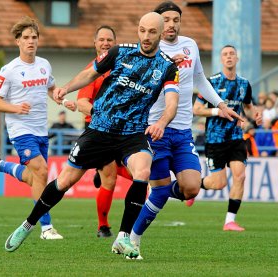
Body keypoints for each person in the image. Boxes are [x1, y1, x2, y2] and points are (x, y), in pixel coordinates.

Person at [4, 12, 180, 259]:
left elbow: (172, 101)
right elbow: (90, 74)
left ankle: (122, 238)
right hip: (99, 129)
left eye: (152, 32)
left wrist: (162, 121)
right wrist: (67, 87)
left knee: (142, 171)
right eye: (142, 30)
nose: (146, 36)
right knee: (64, 181)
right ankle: (29, 224)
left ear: (161, 34)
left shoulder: (168, 67)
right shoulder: (120, 52)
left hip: (132, 133)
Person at [128, 1, 243, 258]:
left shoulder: (190, 45)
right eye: (166, 20)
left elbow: (199, 79)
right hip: (154, 130)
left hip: (181, 131)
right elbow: (139, 83)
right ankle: (132, 239)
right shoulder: (146, 50)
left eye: (175, 20)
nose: (171, 24)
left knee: (191, 187)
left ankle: (158, 193)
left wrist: (220, 104)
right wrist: (166, 62)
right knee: (158, 192)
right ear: (156, 25)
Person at [0, 16, 76, 240]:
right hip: (20, 130)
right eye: (26, 38)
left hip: (41, 131)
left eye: (34, 37)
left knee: (35, 179)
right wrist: (15, 108)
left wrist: (63, 101)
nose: (31, 41)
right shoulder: (9, 69)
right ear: (18, 42)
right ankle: (45, 228)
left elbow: (52, 89)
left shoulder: (44, 65)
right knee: (42, 171)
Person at [193, 44, 262, 231]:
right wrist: (217, 111)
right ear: (221, 59)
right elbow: (196, 109)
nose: (229, 57)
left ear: (237, 59)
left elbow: (247, 105)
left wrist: (254, 114)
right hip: (215, 139)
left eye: (232, 54)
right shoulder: (212, 82)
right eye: (225, 54)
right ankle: (195, 188)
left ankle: (229, 221)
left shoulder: (244, 84)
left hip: (236, 137)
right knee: (218, 183)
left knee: (240, 176)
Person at [76, 25, 118, 238]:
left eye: (109, 40)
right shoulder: (91, 70)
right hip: (97, 129)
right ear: (95, 43)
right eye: (101, 39)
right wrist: (100, 114)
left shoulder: (123, 67)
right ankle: (103, 226)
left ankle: (98, 170)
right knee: (110, 177)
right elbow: (82, 102)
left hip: (122, 128)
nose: (105, 43)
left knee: (138, 168)